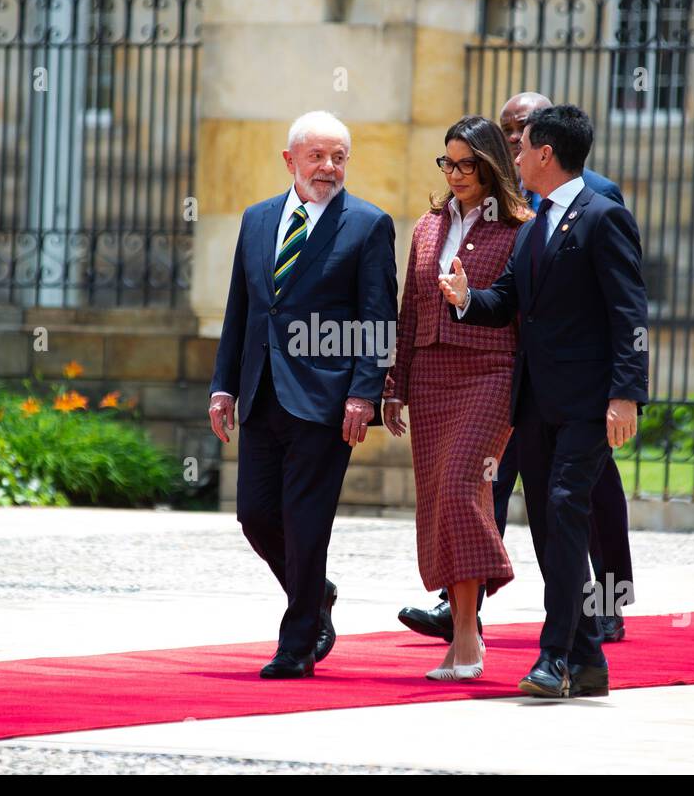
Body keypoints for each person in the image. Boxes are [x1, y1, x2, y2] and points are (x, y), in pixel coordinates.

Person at [397, 90, 637, 644]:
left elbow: (625, 308)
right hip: (518, 391)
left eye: (521, 131)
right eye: (506, 129)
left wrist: (624, 391)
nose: (512, 140)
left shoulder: (598, 203)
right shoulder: (524, 218)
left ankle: (603, 607)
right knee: (492, 493)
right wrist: (463, 299)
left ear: (546, 146)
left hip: (568, 388)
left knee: (583, 500)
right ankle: (468, 607)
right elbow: (501, 297)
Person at [208, 110, 398, 679]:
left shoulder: (367, 224)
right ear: (290, 160)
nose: (329, 167)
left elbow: (377, 318)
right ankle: (316, 591)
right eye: (317, 156)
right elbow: (240, 309)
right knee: (255, 515)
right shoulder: (258, 219)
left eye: (339, 156)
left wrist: (365, 393)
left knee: (307, 520)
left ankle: (298, 645)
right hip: (262, 393)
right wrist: (223, 385)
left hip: (327, 402)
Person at [382, 116, 532, 681]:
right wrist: (394, 386)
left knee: (460, 489)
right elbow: (411, 310)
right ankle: (464, 635)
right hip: (431, 378)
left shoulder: (520, 227)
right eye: (449, 163)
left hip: (490, 373)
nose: (457, 174)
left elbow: (525, 314)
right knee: (439, 501)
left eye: (468, 163)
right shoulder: (425, 226)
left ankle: (468, 632)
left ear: (492, 163)